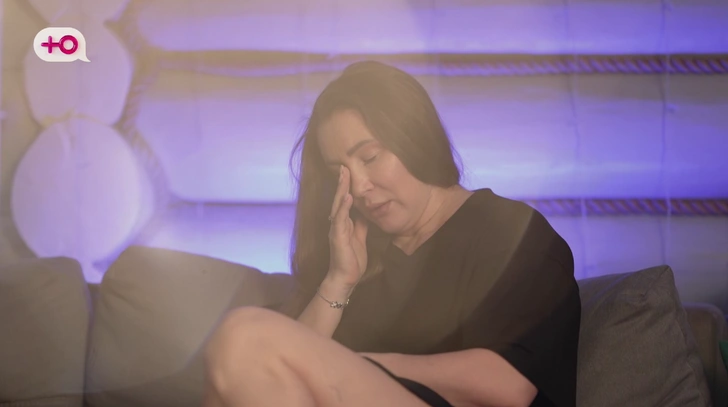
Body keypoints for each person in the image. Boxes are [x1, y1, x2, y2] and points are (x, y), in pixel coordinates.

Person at [203, 61, 581, 407]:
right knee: (230, 379)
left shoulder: (507, 230)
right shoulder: (361, 256)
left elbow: (507, 385)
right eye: (340, 173)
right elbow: (279, 372)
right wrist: (338, 281)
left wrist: (360, 365)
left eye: (370, 158)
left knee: (244, 334)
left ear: (414, 136)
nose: (359, 187)